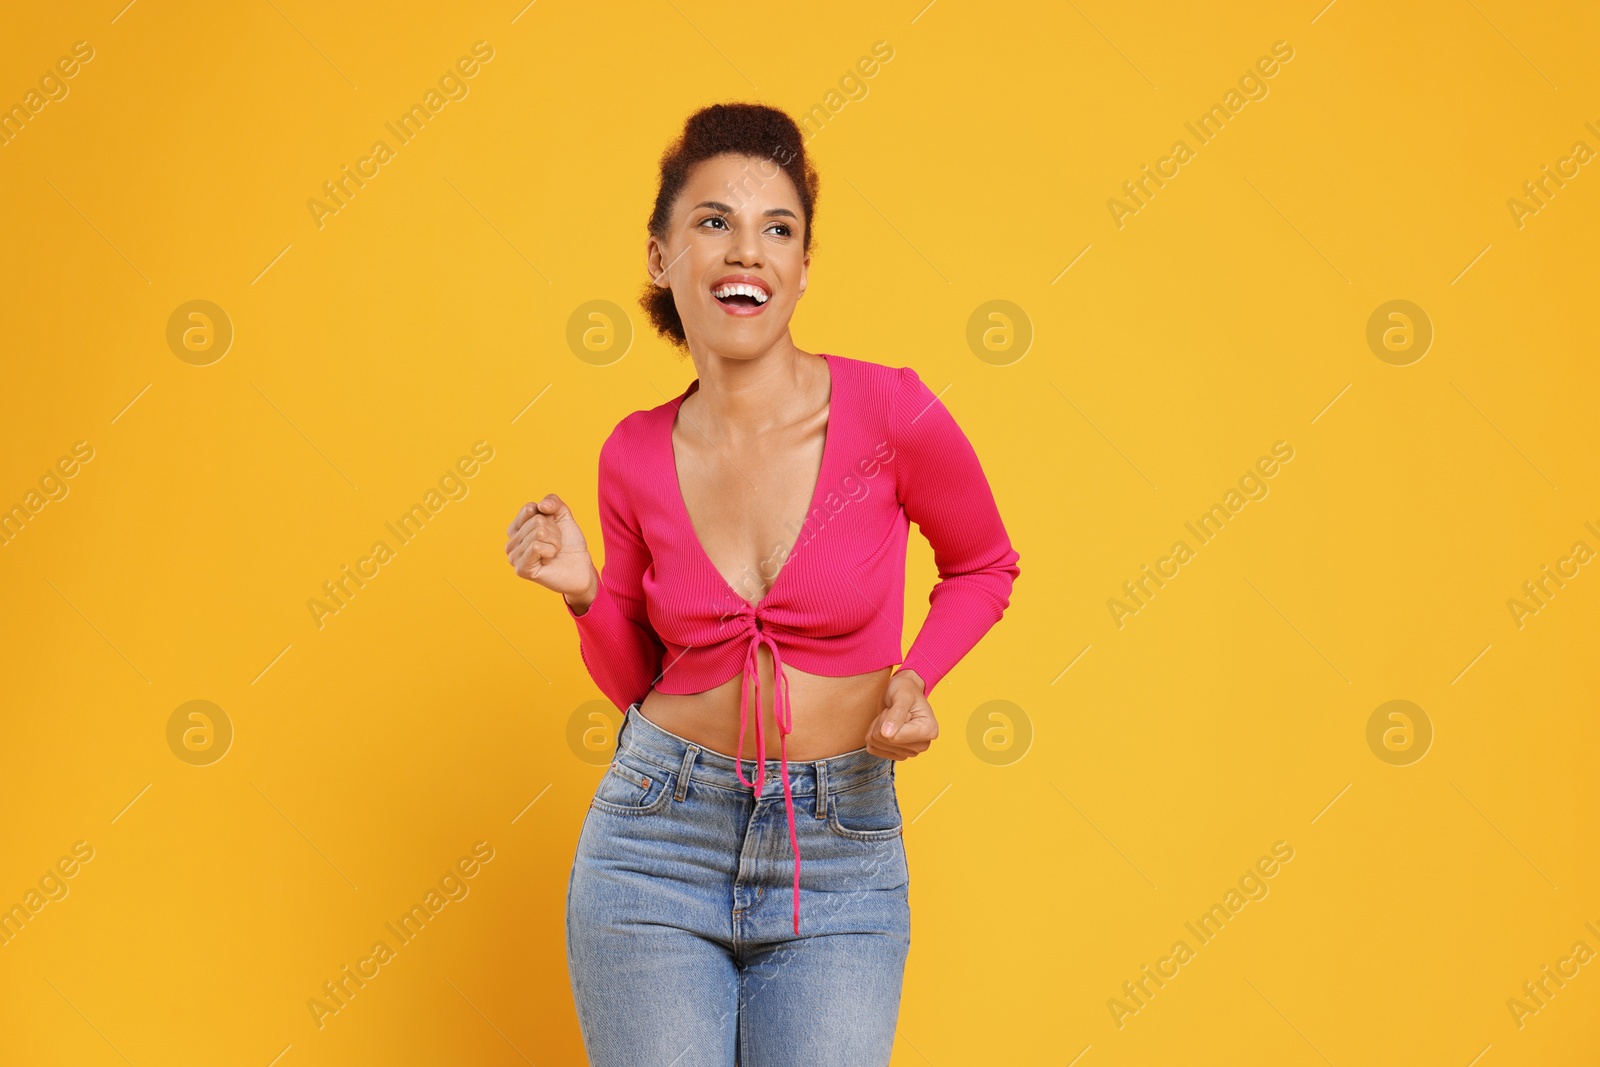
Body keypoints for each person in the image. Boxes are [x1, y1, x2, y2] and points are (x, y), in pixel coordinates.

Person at [504, 101, 1020, 1067]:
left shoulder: (892, 412)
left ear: (804, 266)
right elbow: (635, 681)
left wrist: (916, 674)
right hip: (655, 841)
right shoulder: (634, 452)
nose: (749, 252)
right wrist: (583, 592)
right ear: (661, 257)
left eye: (778, 229)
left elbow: (984, 563)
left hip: (838, 848)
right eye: (715, 223)